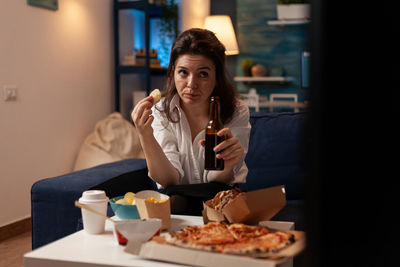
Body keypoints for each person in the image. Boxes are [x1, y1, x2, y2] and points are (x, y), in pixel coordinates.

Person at [131, 28, 251, 215]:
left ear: (216, 76)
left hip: (220, 195)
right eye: (183, 72)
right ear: (173, 72)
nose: (191, 84)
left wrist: (227, 164)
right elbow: (169, 179)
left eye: (203, 74)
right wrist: (145, 135)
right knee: (175, 201)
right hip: (176, 198)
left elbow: (215, 179)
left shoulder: (236, 111)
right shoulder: (161, 112)